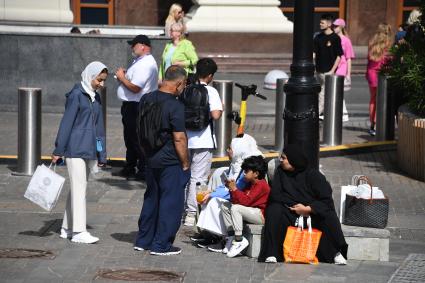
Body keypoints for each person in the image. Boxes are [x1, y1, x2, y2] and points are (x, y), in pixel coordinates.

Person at [133, 65, 191, 256]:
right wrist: (185, 163)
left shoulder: (146, 99)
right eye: (184, 85)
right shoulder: (175, 105)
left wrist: (145, 154)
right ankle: (161, 245)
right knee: (171, 202)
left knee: (151, 198)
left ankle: (143, 240)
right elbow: (179, 138)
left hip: (150, 158)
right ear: (179, 83)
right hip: (170, 161)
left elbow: (139, 129)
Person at [258, 144, 348, 264]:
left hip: (310, 212)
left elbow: (326, 200)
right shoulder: (281, 172)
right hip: (290, 210)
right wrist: (295, 206)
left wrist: (308, 209)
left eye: (284, 158)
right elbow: (276, 195)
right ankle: (272, 253)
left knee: (329, 216)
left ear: (294, 160)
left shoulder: (313, 175)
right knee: (274, 210)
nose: (281, 160)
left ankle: (335, 253)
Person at [52, 61, 108, 244]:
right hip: (74, 150)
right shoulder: (76, 95)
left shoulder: (95, 97)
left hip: (89, 150)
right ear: (90, 76)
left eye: (103, 81)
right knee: (79, 190)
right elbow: (66, 123)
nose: (101, 84)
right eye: (99, 80)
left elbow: (99, 129)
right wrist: (59, 149)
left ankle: (67, 228)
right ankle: (78, 232)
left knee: (77, 189)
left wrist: (102, 154)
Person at [191, 134, 263, 248]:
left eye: (230, 148)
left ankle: (219, 238)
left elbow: (234, 189)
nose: (227, 150)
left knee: (215, 202)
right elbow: (227, 186)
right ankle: (208, 234)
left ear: (238, 151)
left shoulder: (246, 169)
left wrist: (212, 194)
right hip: (236, 196)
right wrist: (211, 192)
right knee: (212, 191)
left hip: (245, 203)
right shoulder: (236, 164)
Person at [183, 58, 222, 226]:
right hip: (203, 140)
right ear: (210, 75)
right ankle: (192, 213)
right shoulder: (211, 91)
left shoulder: (186, 89)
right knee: (198, 178)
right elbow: (216, 115)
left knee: (185, 176)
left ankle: (181, 209)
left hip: (185, 139)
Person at [116, 34, 158, 180]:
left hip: (137, 106)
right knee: (130, 137)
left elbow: (136, 88)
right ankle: (131, 166)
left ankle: (142, 169)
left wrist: (122, 78)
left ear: (142, 46)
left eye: (133, 45)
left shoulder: (146, 64)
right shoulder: (140, 61)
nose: (131, 47)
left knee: (136, 138)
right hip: (132, 105)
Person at [221, 155, 270, 258]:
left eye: (246, 171)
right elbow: (236, 201)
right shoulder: (250, 183)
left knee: (236, 208)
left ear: (256, 174)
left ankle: (239, 240)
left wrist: (234, 189)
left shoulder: (261, 185)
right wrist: (231, 189)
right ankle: (231, 236)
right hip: (251, 211)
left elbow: (246, 202)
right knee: (225, 206)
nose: (244, 173)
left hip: (260, 215)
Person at [314, 13, 344, 119]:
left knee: (323, 94)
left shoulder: (335, 38)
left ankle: (316, 115)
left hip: (328, 71)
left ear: (329, 24)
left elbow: (339, 55)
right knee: (319, 93)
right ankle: (322, 114)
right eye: (320, 22)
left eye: (322, 22)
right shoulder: (318, 37)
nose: (320, 24)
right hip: (318, 71)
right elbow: (314, 53)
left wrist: (332, 70)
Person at [366, 24, 392, 136]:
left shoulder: (371, 42)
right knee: (382, 100)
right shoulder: (388, 43)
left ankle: (372, 125)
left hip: (371, 73)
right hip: (382, 74)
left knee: (373, 100)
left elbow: (369, 59)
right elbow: (389, 60)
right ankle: (378, 125)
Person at [333, 18, 355, 122]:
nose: (334, 28)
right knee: (335, 92)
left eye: (336, 26)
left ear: (341, 27)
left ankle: (343, 114)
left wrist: (348, 74)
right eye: (333, 26)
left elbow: (348, 58)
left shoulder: (346, 40)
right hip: (332, 68)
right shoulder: (332, 38)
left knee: (337, 92)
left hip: (341, 68)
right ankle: (341, 113)